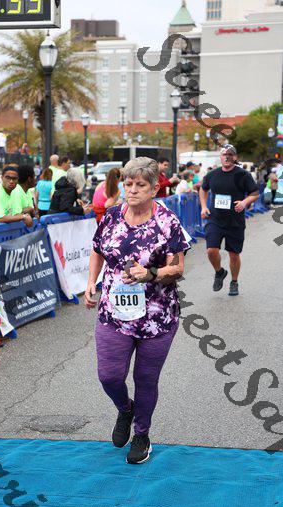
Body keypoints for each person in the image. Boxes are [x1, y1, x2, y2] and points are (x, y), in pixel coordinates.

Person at [85, 157, 189, 465]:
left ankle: (142, 434)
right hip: (114, 313)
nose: (131, 190)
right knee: (109, 376)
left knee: (145, 379)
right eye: (128, 184)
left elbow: (178, 267)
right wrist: (91, 282)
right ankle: (125, 409)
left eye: (140, 185)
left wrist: (151, 273)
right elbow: (97, 250)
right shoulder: (112, 216)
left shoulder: (167, 221)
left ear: (154, 188)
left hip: (157, 316)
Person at [199, 144, 259, 297]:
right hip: (215, 218)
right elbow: (203, 189)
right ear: (220, 157)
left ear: (235, 157)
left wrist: (244, 202)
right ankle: (219, 272)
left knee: (233, 254)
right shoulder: (212, 174)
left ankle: (234, 282)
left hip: (235, 221)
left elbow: (255, 193)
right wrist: (204, 207)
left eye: (230, 155)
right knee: (211, 250)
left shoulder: (243, 174)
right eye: (224, 154)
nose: (227, 157)